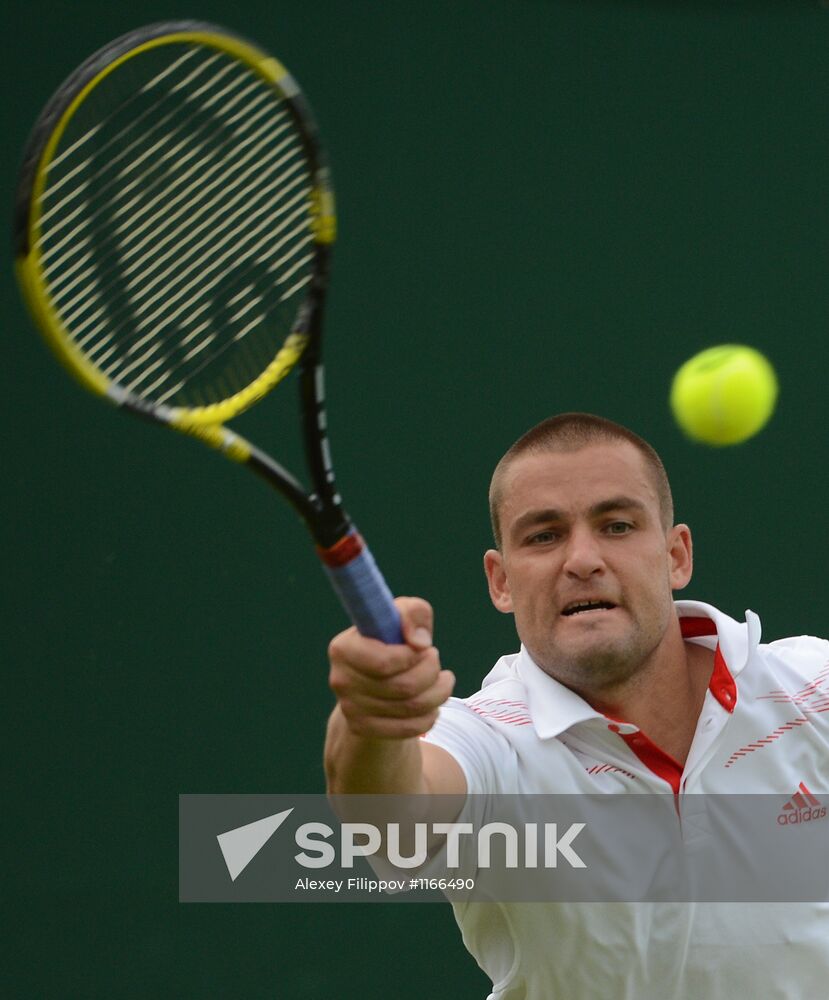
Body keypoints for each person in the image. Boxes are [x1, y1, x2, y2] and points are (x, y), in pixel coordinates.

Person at [324, 412, 828, 999]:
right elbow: (389, 813)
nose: (582, 559)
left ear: (676, 556)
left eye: (616, 525)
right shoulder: (491, 744)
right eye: (543, 535)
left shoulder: (811, 687)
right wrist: (370, 720)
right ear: (501, 581)